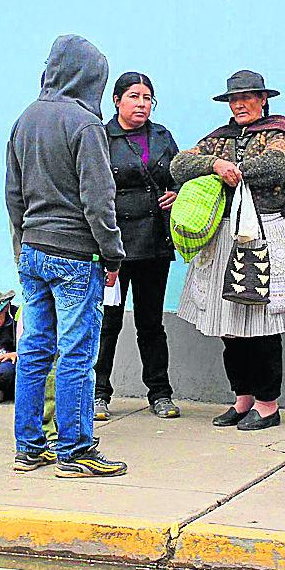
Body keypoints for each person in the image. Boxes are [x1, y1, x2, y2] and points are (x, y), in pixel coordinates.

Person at [5, 35, 128, 478]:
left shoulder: (25, 119)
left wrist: (22, 248)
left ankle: (29, 446)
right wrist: (113, 255)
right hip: (77, 256)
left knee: (35, 350)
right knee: (77, 353)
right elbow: (99, 201)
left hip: (34, 251)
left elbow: (13, 195)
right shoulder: (86, 124)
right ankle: (75, 450)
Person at [172, 70, 285, 431]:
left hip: (265, 234)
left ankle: (268, 404)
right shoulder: (219, 139)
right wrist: (214, 165)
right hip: (225, 238)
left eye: (247, 97)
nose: (239, 104)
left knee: (263, 323)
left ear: (263, 99)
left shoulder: (279, 133)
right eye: (234, 99)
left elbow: (277, 166)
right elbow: (178, 165)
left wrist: (234, 170)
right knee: (229, 326)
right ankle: (243, 398)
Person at [93, 72, 183, 422]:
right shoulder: (101, 135)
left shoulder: (162, 136)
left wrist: (177, 192)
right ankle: (99, 392)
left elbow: (179, 174)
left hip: (154, 243)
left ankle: (159, 393)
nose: (142, 103)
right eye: (134, 96)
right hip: (113, 244)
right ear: (117, 100)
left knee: (150, 322)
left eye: (147, 97)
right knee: (108, 321)